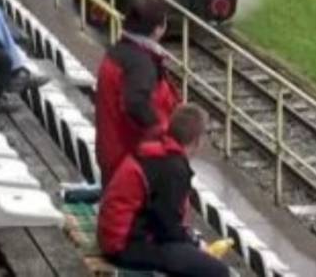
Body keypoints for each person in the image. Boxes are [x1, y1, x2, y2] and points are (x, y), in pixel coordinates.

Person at [97, 104, 227, 277]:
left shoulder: (159, 152)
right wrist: (196, 245)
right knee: (217, 271)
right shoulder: (172, 168)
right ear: (197, 140)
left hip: (115, 237)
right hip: (125, 246)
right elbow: (167, 227)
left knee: (191, 256)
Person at [95, 0, 180, 185]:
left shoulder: (120, 52)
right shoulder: (140, 63)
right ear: (158, 29)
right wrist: (163, 135)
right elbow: (135, 103)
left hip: (114, 153)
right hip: (130, 160)